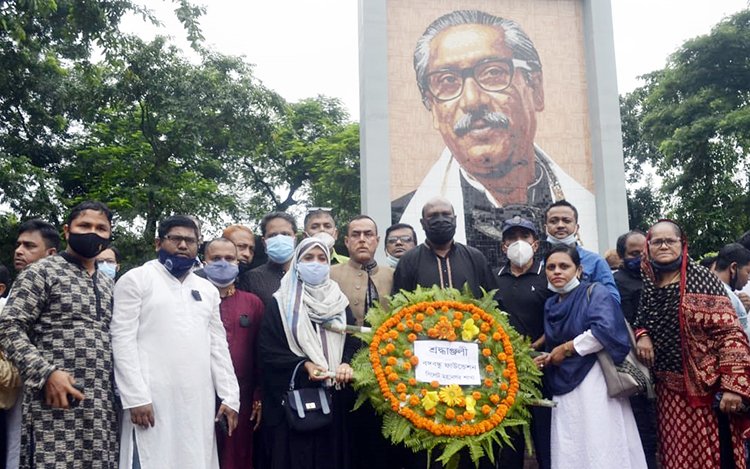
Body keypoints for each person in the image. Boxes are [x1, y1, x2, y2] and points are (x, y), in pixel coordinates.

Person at [393, 9, 597, 268]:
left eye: (492, 72)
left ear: (535, 88)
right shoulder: (405, 213)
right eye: (447, 81)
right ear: (431, 107)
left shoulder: (583, 204)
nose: (472, 101)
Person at [111, 215, 240, 469]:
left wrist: (230, 396)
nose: (183, 245)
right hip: (151, 402)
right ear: (158, 243)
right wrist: (135, 396)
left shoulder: (207, 290)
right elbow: (121, 339)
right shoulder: (136, 279)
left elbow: (218, 347)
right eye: (176, 239)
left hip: (197, 403)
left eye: (190, 241)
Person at [0, 201, 119, 468]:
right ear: (67, 230)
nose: (93, 232)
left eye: (101, 228)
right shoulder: (41, 272)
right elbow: (9, 327)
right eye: (84, 225)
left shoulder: (108, 283)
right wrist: (46, 373)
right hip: (53, 402)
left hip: (102, 408)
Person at [634, 220, 750, 469]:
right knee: (678, 458)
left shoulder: (701, 280)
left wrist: (732, 386)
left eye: (670, 240)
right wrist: (642, 334)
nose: (663, 245)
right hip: (668, 393)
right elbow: (641, 320)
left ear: (682, 244)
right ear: (649, 246)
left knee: (715, 457)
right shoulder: (650, 282)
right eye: (657, 241)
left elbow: (730, 334)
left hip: (706, 391)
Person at [538, 244, 646, 469]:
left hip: (594, 382)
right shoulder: (550, 304)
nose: (557, 271)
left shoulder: (595, 292)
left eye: (564, 266)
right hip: (562, 384)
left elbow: (604, 331)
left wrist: (567, 348)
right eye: (551, 267)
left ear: (578, 270)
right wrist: (547, 356)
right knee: (571, 441)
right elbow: (555, 342)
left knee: (600, 439)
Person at [258, 237, 357, 469]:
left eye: (322, 258)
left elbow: (353, 341)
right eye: (308, 258)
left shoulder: (339, 301)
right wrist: (304, 365)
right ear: (297, 263)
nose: (316, 263)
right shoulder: (281, 303)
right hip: (297, 401)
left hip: (335, 396)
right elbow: (269, 350)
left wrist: (345, 364)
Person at [493, 215, 552, 469]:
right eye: (511, 238)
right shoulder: (492, 277)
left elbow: (558, 319)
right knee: (508, 444)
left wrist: (534, 347)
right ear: (503, 245)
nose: (518, 242)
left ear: (535, 244)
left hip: (541, 367)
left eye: (524, 237)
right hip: (501, 371)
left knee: (546, 439)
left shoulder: (547, 276)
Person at [204, 238, 265, 469]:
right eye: (215, 259)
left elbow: (261, 354)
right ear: (204, 261)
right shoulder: (193, 298)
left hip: (244, 398)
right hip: (202, 394)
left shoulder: (253, 303)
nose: (222, 263)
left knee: (237, 458)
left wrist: (259, 396)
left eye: (229, 259)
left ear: (238, 263)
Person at [5, 219, 60, 469]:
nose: (19, 251)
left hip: (45, 390)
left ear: (50, 254)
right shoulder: (14, 295)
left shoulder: (57, 290)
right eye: (18, 245)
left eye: (29, 246)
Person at [612, 229, 658, 469]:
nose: (640, 257)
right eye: (634, 253)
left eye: (644, 252)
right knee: (643, 428)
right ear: (622, 256)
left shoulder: (657, 277)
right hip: (634, 362)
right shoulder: (616, 282)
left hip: (663, 361)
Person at [392, 197, 496, 299]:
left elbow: (493, 302)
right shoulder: (408, 261)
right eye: (433, 215)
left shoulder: (475, 258)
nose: (440, 220)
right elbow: (399, 305)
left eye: (446, 214)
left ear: (455, 220)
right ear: (423, 223)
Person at [544, 200, 620, 302]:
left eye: (566, 221)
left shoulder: (595, 261)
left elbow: (612, 301)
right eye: (553, 221)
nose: (560, 225)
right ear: (545, 228)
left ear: (576, 227)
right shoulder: (536, 262)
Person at [331, 215, 393, 325]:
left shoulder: (393, 275)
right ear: (346, 241)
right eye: (355, 235)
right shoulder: (331, 275)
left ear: (377, 241)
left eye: (368, 234)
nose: (362, 239)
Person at [237, 212, 297, 307]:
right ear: (264, 242)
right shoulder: (251, 279)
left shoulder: (306, 274)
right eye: (272, 235)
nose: (279, 239)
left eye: (285, 234)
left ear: (294, 238)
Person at [713, 243, 750, 337]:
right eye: (748, 272)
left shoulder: (708, 288)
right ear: (733, 268)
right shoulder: (728, 297)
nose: (748, 278)